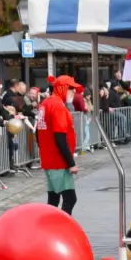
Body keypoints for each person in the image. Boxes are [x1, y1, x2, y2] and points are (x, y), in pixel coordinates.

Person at [37, 74, 80, 213]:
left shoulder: (45, 103)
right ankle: (60, 225)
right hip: (58, 161)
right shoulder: (58, 106)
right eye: (71, 88)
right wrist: (71, 163)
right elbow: (60, 137)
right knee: (69, 199)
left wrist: (44, 153)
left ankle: (50, 224)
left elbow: (38, 132)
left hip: (50, 159)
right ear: (63, 88)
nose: (74, 91)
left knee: (53, 199)